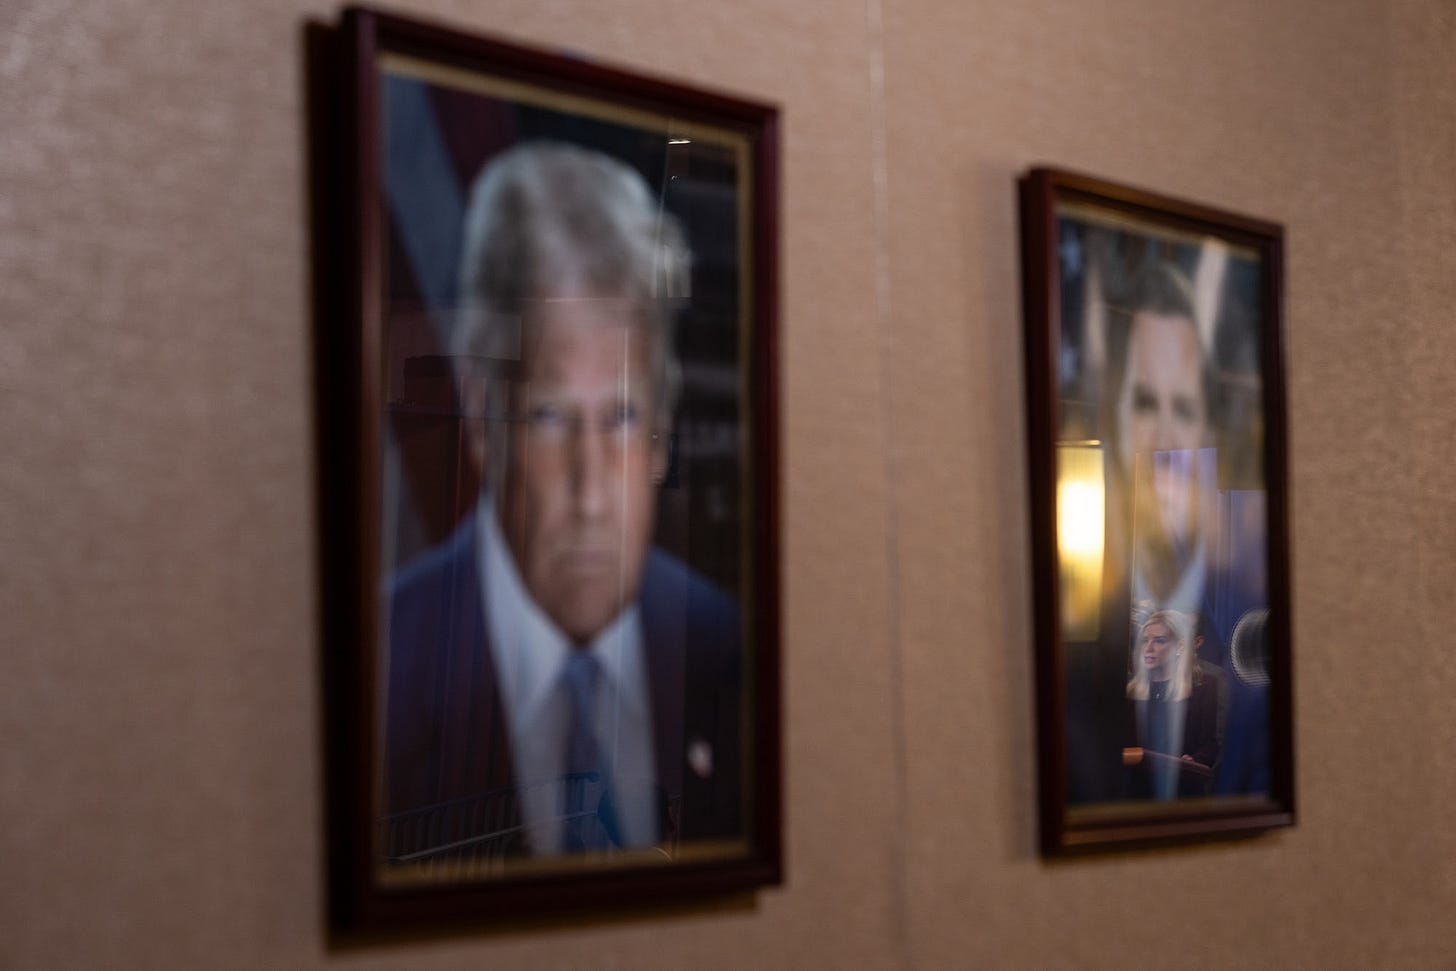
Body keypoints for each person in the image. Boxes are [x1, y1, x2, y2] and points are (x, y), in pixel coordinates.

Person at [381, 142, 742, 865]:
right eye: (549, 418)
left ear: (665, 432)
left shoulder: (730, 653)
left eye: (622, 419)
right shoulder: (382, 671)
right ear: (482, 419)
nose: (591, 492)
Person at [1123, 610, 1219, 799]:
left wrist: (1195, 760)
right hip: (1136, 791)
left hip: (1182, 791)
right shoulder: (1130, 689)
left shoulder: (1204, 686)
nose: (1148, 648)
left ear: (1180, 646)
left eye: (1159, 640)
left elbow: (1211, 743)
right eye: (1144, 640)